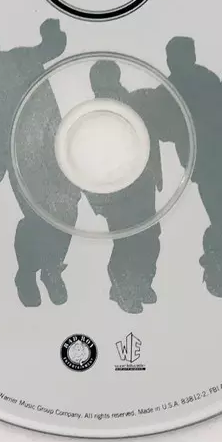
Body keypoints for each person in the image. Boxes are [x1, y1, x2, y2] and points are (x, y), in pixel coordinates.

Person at [0, 19, 80, 307]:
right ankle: (29, 273)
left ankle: (50, 267)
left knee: (67, 210)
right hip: (18, 158)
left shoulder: (20, 58)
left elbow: (51, 48)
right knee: (39, 218)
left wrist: (51, 28)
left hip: (51, 148)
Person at [166, 36, 222, 298]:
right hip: (205, 162)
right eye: (179, 55)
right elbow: (169, 129)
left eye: (187, 53)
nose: (184, 59)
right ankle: (215, 269)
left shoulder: (206, 77)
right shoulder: (171, 88)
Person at [87, 59, 172, 314]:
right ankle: (124, 290)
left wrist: (155, 174)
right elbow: (86, 161)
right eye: (99, 80)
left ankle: (142, 283)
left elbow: (151, 136)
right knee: (126, 240)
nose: (103, 84)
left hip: (141, 184)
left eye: (107, 77)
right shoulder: (90, 115)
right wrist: (96, 199)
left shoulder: (135, 103)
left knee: (149, 235)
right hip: (115, 191)